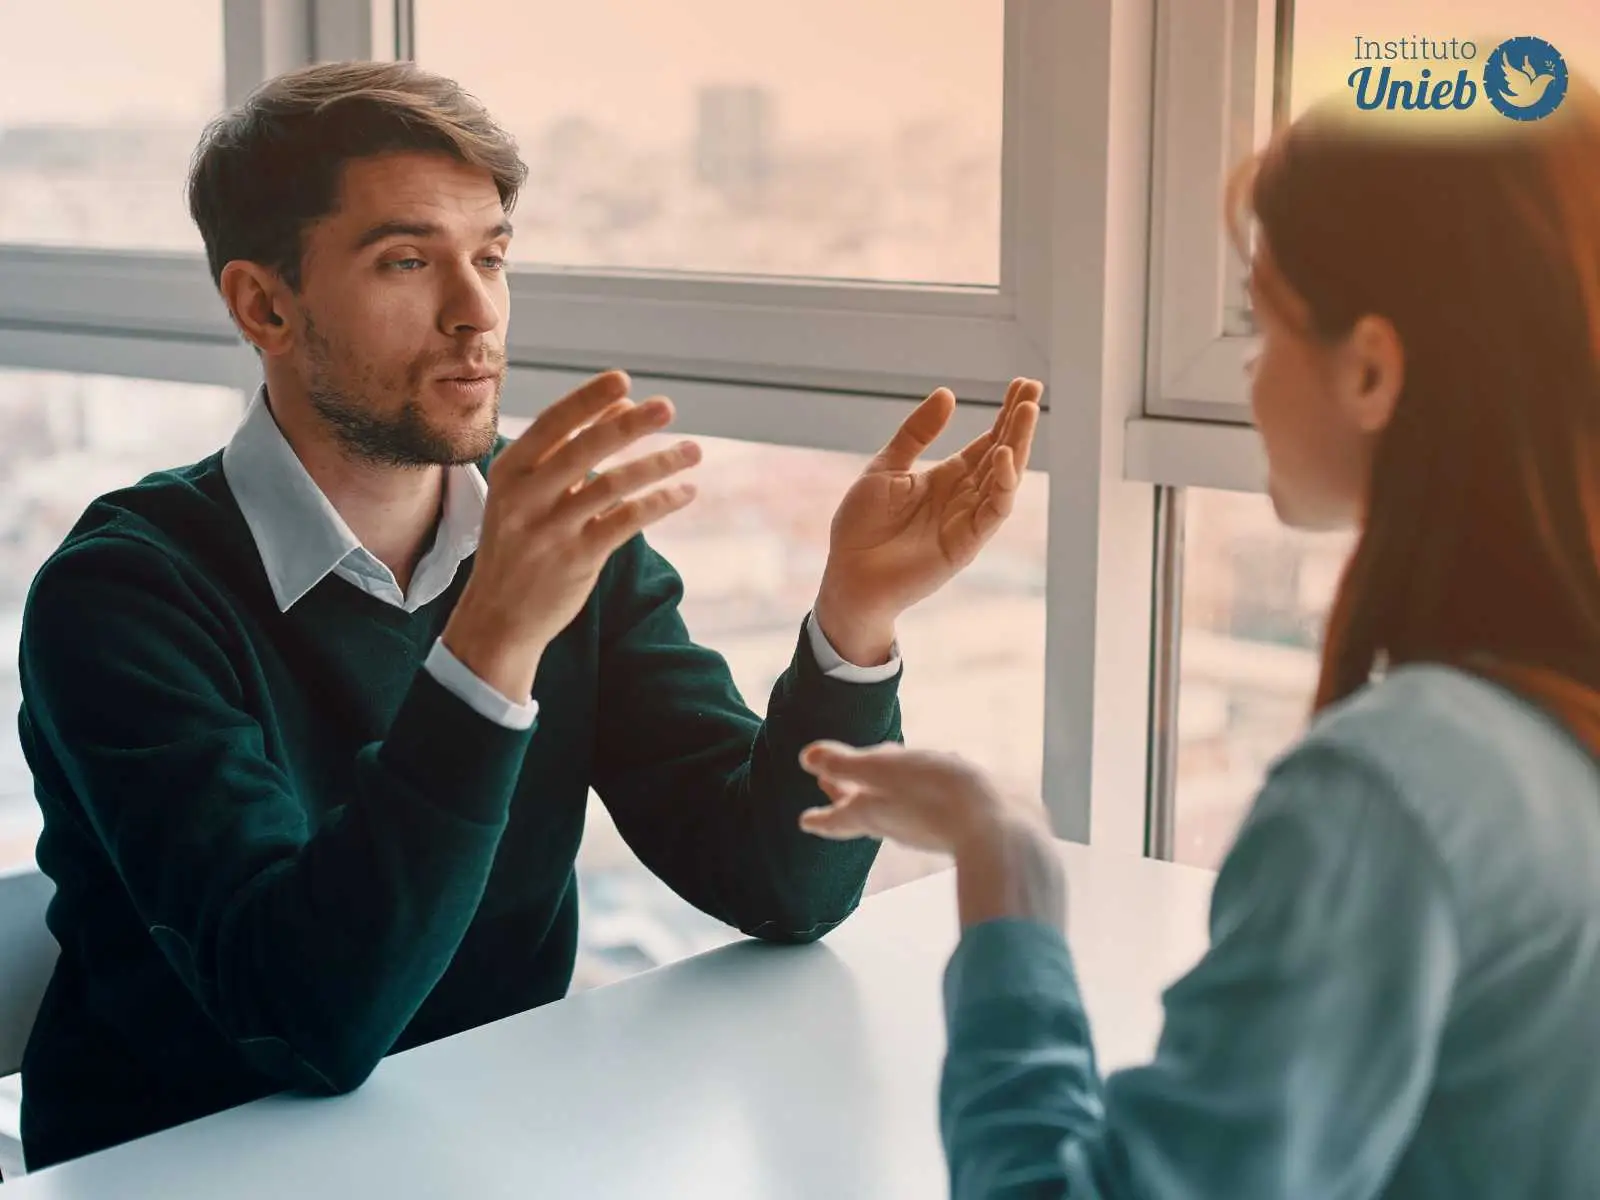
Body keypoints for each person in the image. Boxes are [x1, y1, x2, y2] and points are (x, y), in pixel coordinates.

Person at [12, 60, 1040, 1170]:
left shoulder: (557, 533)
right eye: (408, 261)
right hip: (179, 1170)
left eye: (491, 256)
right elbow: (303, 1019)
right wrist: (492, 642)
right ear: (265, 305)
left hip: (488, 1142)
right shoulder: (120, 595)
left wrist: (855, 618)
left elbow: (778, 884)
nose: (476, 311)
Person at [797, 81, 1600, 1197]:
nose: (1246, 369)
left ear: (1371, 369)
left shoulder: (1396, 794)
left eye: (1262, 320)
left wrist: (1003, 867)